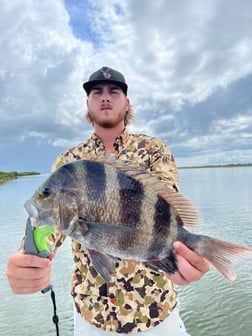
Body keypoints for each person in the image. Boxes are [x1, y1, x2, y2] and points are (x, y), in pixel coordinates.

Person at [7, 66, 210, 336]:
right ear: (88, 104)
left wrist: (187, 255)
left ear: (127, 103)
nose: (105, 97)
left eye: (114, 91)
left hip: (155, 313)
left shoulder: (154, 150)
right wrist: (28, 255)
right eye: (96, 92)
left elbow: (166, 204)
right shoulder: (69, 161)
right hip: (92, 316)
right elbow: (51, 220)